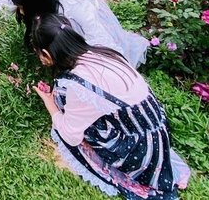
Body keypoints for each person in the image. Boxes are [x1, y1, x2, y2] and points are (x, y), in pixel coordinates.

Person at [31, 13, 190, 199]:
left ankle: (142, 171)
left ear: (47, 54)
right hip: (155, 127)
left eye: (38, 53)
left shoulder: (80, 85)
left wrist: (50, 104)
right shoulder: (102, 51)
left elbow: (71, 135)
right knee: (63, 94)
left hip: (140, 146)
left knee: (67, 118)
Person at [0, 0, 149, 68]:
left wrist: (59, 58)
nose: (21, 12)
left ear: (36, 3)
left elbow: (103, 44)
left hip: (89, 26)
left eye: (23, 7)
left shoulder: (74, 10)